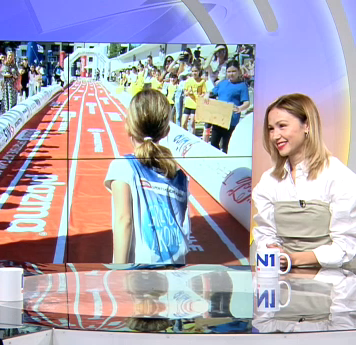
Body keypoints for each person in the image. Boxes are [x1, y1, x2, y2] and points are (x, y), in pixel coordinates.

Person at [234, 93, 356, 345]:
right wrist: (272, 254)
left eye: (282, 126)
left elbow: (346, 246)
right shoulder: (269, 182)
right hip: (282, 285)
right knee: (236, 331)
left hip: (329, 288)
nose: (275, 135)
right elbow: (265, 235)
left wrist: (294, 260)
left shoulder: (340, 178)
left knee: (269, 337)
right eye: (270, 129)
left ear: (307, 126)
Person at [105, 89, 190, 265]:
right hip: (175, 266)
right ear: (166, 131)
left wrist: (119, 272)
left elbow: (124, 221)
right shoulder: (178, 175)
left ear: (128, 126)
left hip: (139, 270)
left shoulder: (123, 166)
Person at [207, 60, 250, 154]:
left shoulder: (242, 86)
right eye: (229, 71)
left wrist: (240, 108)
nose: (231, 74)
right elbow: (212, 92)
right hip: (218, 118)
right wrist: (207, 94)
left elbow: (246, 102)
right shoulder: (223, 83)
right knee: (214, 143)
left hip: (231, 121)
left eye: (234, 71)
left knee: (226, 146)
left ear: (239, 71)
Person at [181, 69, 206, 134]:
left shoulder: (202, 81)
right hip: (188, 104)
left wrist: (201, 96)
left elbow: (204, 92)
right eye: (193, 71)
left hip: (196, 104)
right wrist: (188, 93)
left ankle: (192, 135)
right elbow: (185, 92)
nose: (194, 73)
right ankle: (185, 134)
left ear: (199, 72)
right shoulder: (188, 81)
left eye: (196, 71)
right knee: (183, 122)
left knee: (192, 122)